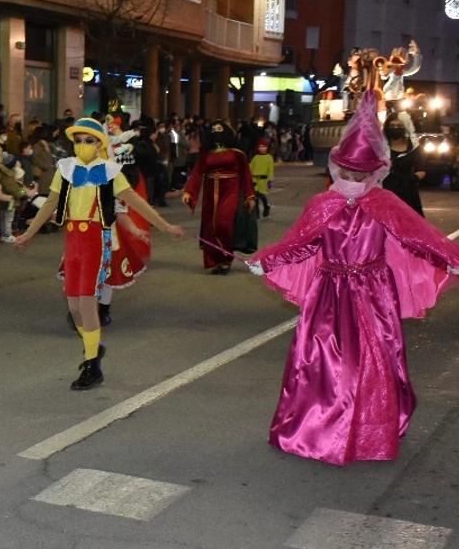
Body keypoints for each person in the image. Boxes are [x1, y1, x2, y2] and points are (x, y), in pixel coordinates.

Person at [246, 92, 459, 466]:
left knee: (373, 361)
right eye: (347, 171)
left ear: (374, 172)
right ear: (336, 168)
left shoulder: (385, 204)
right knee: (321, 360)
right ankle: (314, 430)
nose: (353, 178)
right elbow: (300, 242)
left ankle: (369, 432)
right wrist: (266, 260)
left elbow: (417, 235)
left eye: (360, 173)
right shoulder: (323, 204)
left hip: (373, 294)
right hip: (329, 292)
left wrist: (453, 258)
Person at [15, 118, 184, 390]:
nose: (83, 145)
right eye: (79, 141)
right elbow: (49, 204)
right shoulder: (66, 169)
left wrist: (165, 226)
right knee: (73, 307)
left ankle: (92, 364)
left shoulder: (110, 172)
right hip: (72, 240)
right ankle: (94, 346)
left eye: (89, 140)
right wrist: (27, 234)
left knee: (85, 303)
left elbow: (135, 202)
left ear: (100, 144)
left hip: (96, 239)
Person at [183, 120, 256, 274]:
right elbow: (196, 173)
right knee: (210, 226)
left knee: (224, 223)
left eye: (220, 130)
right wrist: (188, 191)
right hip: (210, 192)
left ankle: (226, 259)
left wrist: (250, 196)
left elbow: (246, 175)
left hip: (231, 190)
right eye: (214, 131)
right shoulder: (205, 154)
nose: (217, 134)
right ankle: (214, 261)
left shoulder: (237, 154)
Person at [382, 119, 425, 216]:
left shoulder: (413, 148)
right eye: (392, 126)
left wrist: (411, 179)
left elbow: (421, 170)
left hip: (408, 193)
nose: (395, 129)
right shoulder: (381, 148)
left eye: (399, 126)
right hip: (385, 191)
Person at [250, 137, 275, 218]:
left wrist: (270, 180)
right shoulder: (255, 157)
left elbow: (270, 169)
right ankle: (256, 212)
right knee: (255, 196)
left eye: (264, 147)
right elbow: (250, 168)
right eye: (260, 147)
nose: (262, 148)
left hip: (264, 180)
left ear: (267, 148)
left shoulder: (269, 158)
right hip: (255, 179)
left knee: (261, 195)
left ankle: (266, 206)